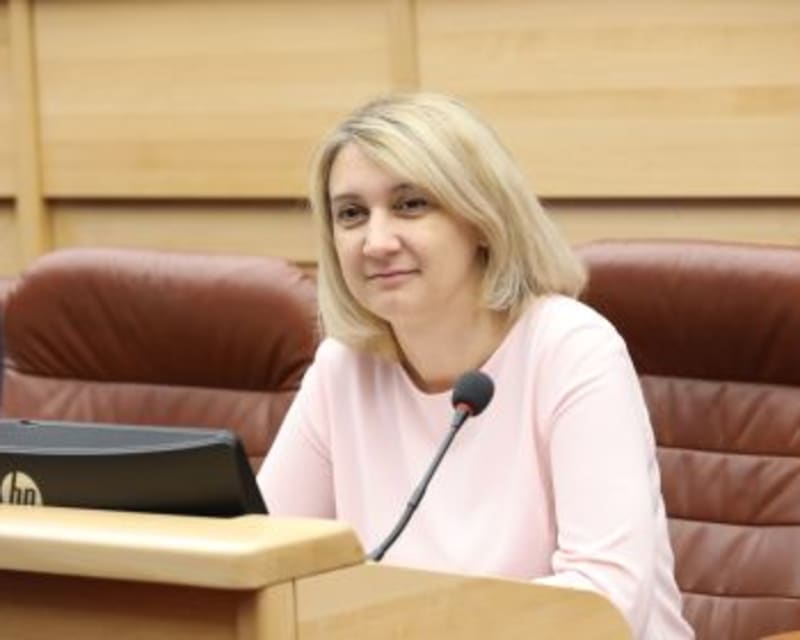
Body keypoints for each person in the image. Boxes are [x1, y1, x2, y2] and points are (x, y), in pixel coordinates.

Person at [257, 92, 694, 639]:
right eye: (351, 214)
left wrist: (396, 624)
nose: (376, 242)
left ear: (482, 219)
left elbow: (605, 602)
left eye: (411, 204)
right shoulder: (342, 368)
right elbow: (261, 562)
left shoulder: (571, 348)